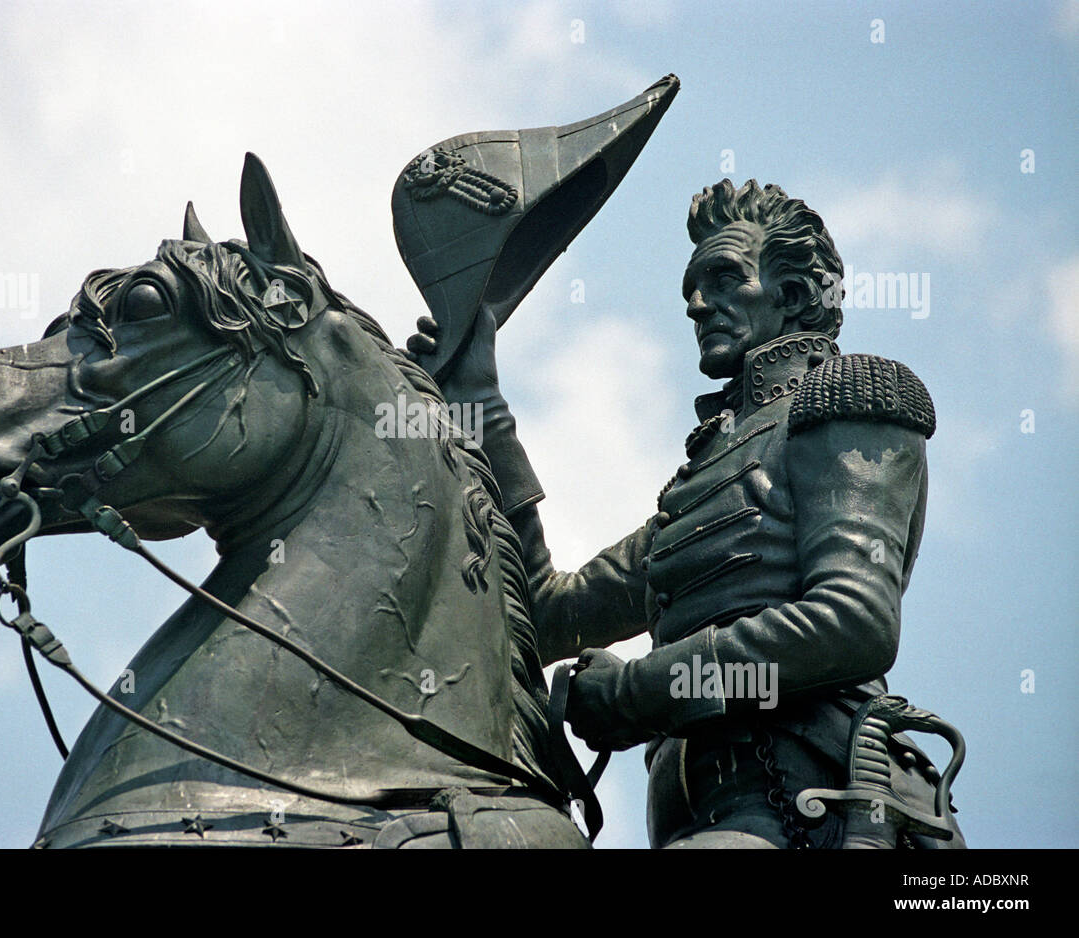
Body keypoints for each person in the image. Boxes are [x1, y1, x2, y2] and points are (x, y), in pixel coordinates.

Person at [407, 178, 963, 848]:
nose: (699, 305)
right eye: (692, 291)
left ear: (790, 295)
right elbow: (548, 618)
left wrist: (639, 691)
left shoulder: (848, 400)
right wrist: (479, 405)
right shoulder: (703, 480)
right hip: (697, 820)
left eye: (725, 279)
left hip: (811, 805)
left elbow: (855, 622)